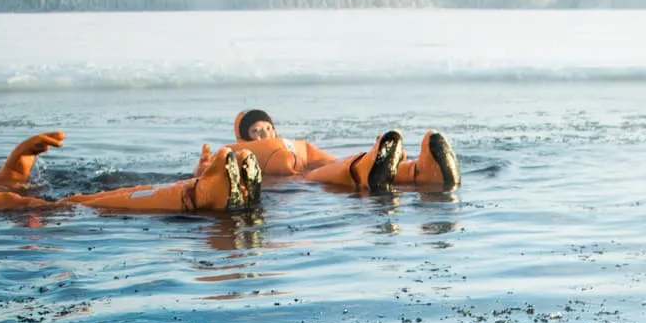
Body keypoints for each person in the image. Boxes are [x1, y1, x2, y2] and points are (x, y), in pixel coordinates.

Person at [0, 133, 263, 213]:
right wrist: (14, 202)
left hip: (17, 209)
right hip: (12, 215)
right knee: (84, 204)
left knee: (85, 201)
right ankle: (201, 193)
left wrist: (20, 157)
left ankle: (198, 187)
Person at [197, 109, 461, 192]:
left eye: (267, 127)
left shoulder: (297, 147)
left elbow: (329, 160)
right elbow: (210, 176)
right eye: (256, 131)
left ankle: (418, 171)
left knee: (337, 167)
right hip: (296, 187)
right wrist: (204, 168)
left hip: (309, 177)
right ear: (245, 138)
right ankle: (371, 167)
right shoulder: (239, 156)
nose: (264, 133)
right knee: (330, 175)